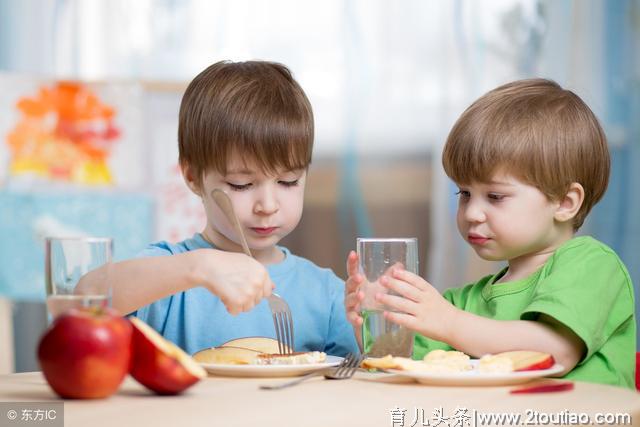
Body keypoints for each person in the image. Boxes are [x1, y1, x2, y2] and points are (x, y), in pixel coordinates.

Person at [345, 78, 635, 388]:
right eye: (465, 193)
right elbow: (401, 366)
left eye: (495, 196)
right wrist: (378, 319)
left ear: (565, 203)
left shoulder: (592, 265)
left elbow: (556, 353)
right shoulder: (464, 302)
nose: (471, 213)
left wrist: (449, 323)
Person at [83, 60, 358, 357]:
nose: (267, 205)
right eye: (241, 184)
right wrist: (198, 268)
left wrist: (371, 327)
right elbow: (82, 300)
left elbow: (357, 382)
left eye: (288, 181)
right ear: (192, 177)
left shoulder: (327, 294)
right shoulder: (171, 272)